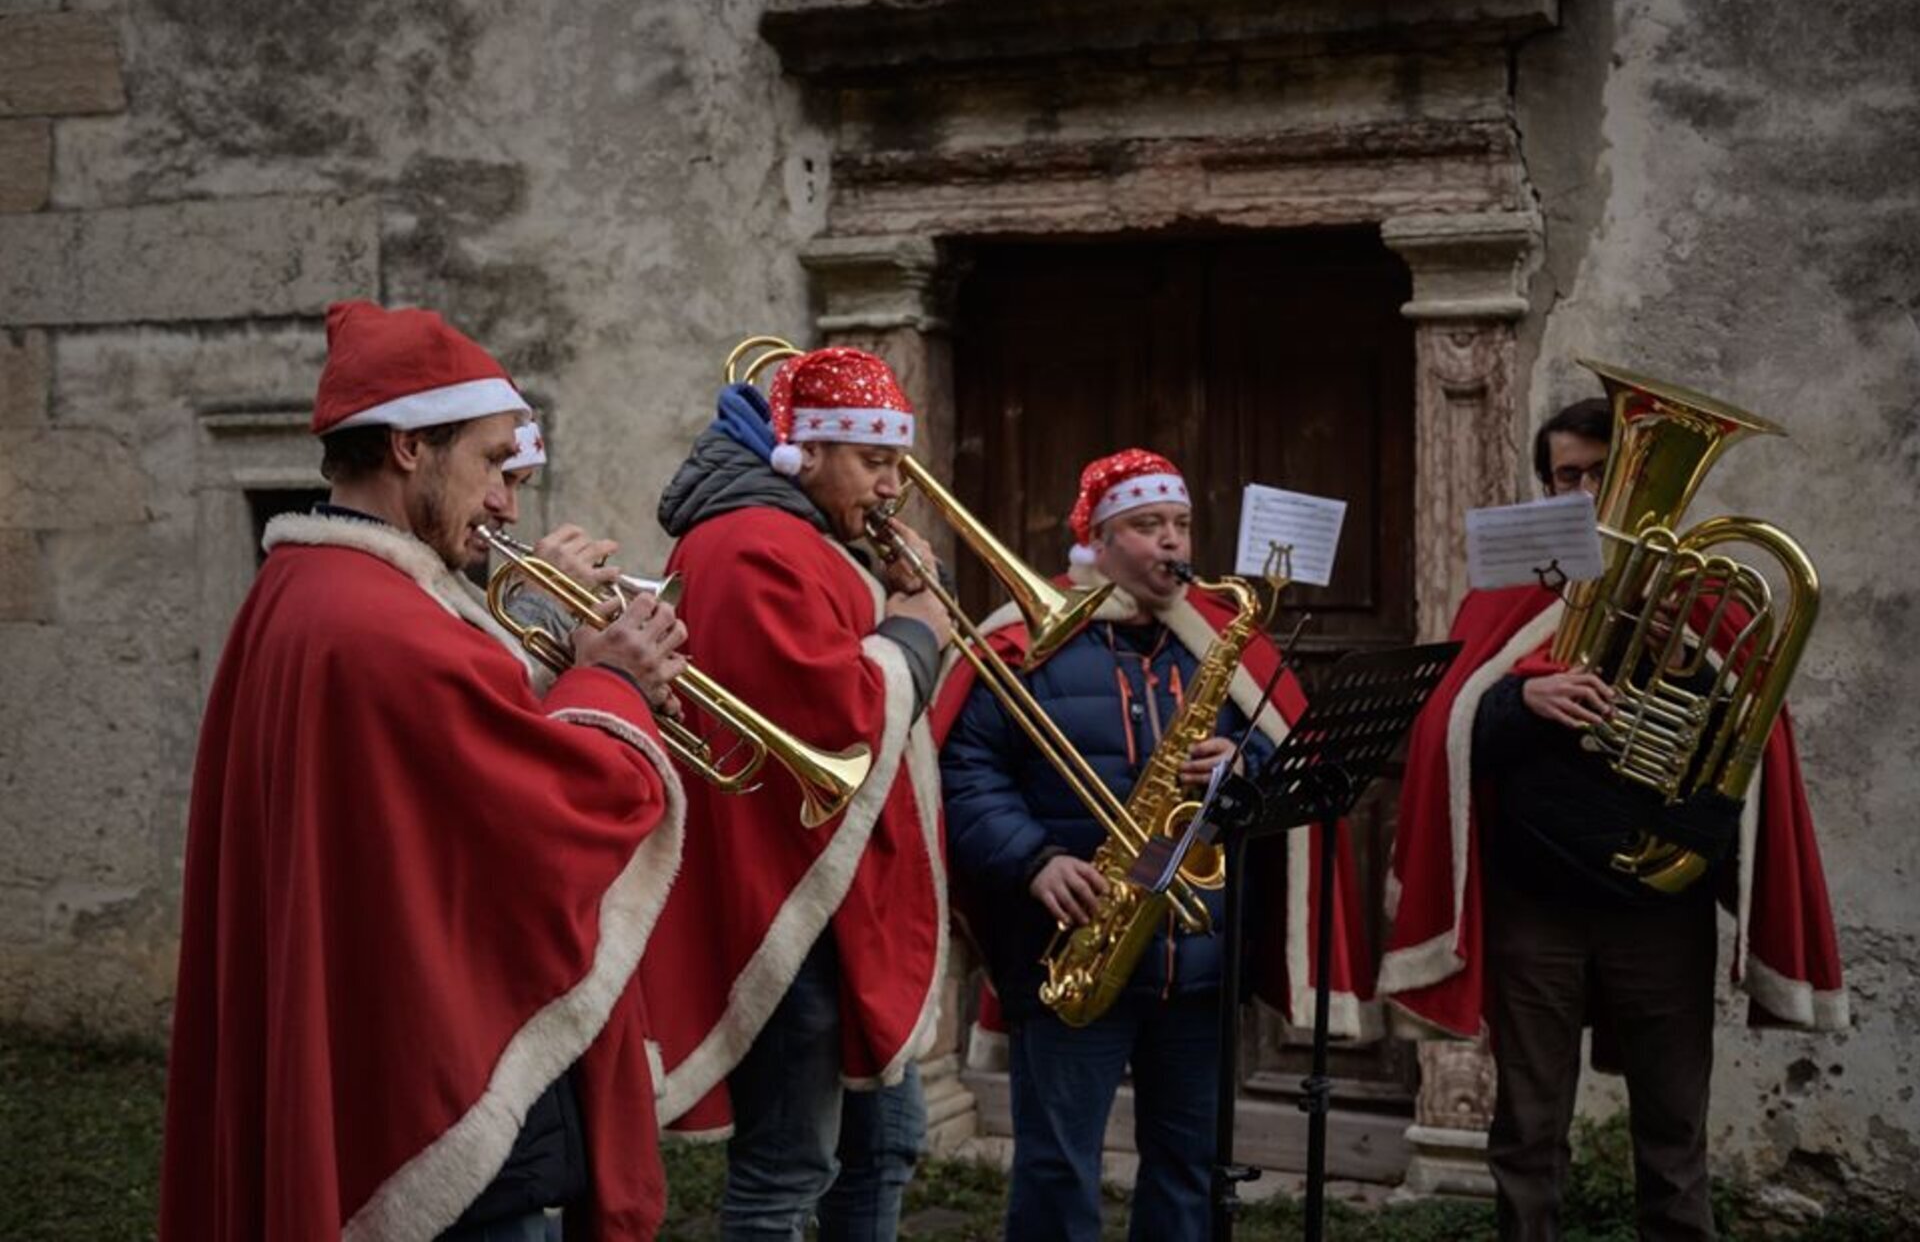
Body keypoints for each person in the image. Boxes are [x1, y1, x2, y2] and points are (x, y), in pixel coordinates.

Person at [158, 300, 691, 1241]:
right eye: (492, 463)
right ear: (410, 447)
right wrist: (613, 686)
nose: (507, 504)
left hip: (394, 1057)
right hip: (447, 1124)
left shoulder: (310, 590)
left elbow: (443, 786)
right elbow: (547, 819)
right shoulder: (379, 621)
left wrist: (560, 666)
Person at [1379, 397, 1849, 1241]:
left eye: (1605, 472)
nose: (1591, 493)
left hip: (1659, 909)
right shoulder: (1507, 597)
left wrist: (1687, 662)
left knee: (1673, 1135)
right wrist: (1521, 700)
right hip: (1534, 908)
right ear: (1546, 488)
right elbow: (1446, 731)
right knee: (1528, 1130)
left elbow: (1752, 747)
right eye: (1570, 476)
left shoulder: (1705, 597)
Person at [935, 448, 1377, 1242]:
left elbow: (1283, 757)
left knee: (1190, 1166)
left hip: (1197, 959)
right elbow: (966, 772)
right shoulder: (1025, 639)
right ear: (1098, 541)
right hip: (1070, 943)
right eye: (1147, 525)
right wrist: (1035, 860)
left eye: (1180, 524)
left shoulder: (1219, 643)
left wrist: (1247, 761)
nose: (1172, 542)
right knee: (1057, 1166)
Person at [636, 346, 954, 1240]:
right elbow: (834, 715)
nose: (894, 487)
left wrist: (894, 599)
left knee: (883, 1146)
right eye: (875, 461)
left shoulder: (800, 535)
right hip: (792, 906)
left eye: (898, 463)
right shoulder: (753, 544)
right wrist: (916, 631)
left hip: (841, 900)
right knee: (788, 1171)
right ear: (804, 452)